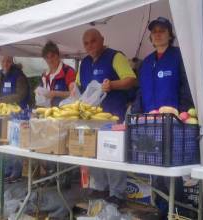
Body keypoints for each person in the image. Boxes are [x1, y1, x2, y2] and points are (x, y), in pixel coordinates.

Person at [133, 17, 194, 217]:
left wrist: (183, 114)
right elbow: (141, 93)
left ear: (170, 35)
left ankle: (177, 210)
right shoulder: (146, 62)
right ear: (151, 37)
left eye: (162, 30)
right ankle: (160, 208)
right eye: (154, 31)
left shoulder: (179, 56)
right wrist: (135, 115)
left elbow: (187, 87)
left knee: (171, 170)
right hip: (149, 124)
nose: (158, 34)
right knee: (153, 168)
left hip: (172, 124)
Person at [75, 28, 137, 205]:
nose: (90, 46)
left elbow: (131, 79)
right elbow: (79, 85)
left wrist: (112, 85)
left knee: (112, 154)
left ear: (102, 39)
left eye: (93, 41)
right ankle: (100, 188)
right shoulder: (84, 63)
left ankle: (117, 194)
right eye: (86, 43)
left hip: (112, 116)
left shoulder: (115, 56)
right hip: (91, 117)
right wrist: (74, 88)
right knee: (93, 152)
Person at [0, 55, 30, 181]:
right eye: (3, 61)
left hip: (18, 115)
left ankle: (15, 172)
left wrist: (1, 99)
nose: (5, 63)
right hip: (1, 115)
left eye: (8, 61)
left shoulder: (19, 75)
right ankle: (3, 170)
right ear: (0, 62)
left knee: (14, 142)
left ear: (12, 61)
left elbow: (21, 94)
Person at [39, 41, 76, 106]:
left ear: (58, 55)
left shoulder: (68, 71)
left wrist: (56, 93)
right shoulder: (44, 75)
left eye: (52, 56)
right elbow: (41, 95)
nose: (50, 60)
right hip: (47, 112)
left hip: (64, 113)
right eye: (47, 57)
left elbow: (74, 94)